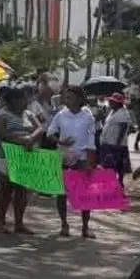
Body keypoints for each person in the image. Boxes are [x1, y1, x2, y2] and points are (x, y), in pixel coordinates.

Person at [45, 84, 98, 238]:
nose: (67, 100)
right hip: (63, 157)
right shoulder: (61, 115)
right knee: (61, 193)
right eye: (65, 97)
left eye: (70, 97)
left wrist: (90, 162)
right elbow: (50, 133)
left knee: (84, 193)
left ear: (79, 98)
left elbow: (91, 140)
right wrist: (60, 142)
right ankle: (64, 224)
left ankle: (85, 226)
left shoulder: (87, 116)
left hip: (81, 158)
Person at [0, 85, 41, 235]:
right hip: (7, 156)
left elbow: (39, 129)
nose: (23, 102)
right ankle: (1, 222)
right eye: (20, 99)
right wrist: (20, 140)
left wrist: (31, 138)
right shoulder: (0, 115)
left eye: (24, 99)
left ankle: (19, 223)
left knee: (22, 190)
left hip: (25, 156)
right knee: (6, 189)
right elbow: (1, 133)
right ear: (11, 101)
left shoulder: (29, 114)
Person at [98, 93, 133, 188]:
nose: (110, 103)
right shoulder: (113, 111)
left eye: (112, 102)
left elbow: (123, 128)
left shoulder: (123, 113)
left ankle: (119, 181)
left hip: (116, 144)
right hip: (108, 142)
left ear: (118, 103)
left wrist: (118, 142)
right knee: (109, 164)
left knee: (118, 164)